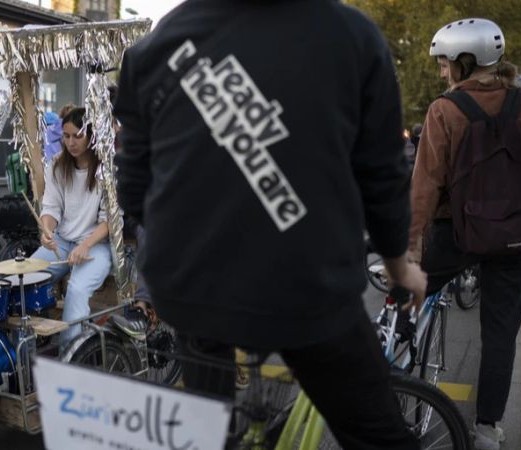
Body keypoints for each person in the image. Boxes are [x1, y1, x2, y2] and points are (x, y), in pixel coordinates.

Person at [114, 1, 425, 448]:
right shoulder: (352, 37)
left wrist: (183, 246)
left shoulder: (158, 44)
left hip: (191, 290)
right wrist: (400, 269)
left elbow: (134, 187)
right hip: (309, 291)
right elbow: (383, 179)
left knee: (206, 430)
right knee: (378, 435)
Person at [410, 19, 521, 450]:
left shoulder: (444, 110)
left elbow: (424, 189)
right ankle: (487, 431)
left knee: (402, 293)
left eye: (445, 63)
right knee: (500, 335)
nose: (442, 72)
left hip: (457, 233)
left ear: (464, 62)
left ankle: (390, 368)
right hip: (517, 236)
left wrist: (410, 253)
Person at [30, 107, 112, 348]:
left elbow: (110, 220)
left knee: (76, 289)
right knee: (26, 276)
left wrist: (85, 245)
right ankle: (31, 347)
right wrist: (46, 230)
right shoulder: (57, 164)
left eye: (77, 136)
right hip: (63, 241)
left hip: (97, 245)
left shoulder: (106, 168)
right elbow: (51, 207)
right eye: (66, 136)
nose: (71, 142)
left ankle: (71, 356)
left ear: (91, 135)